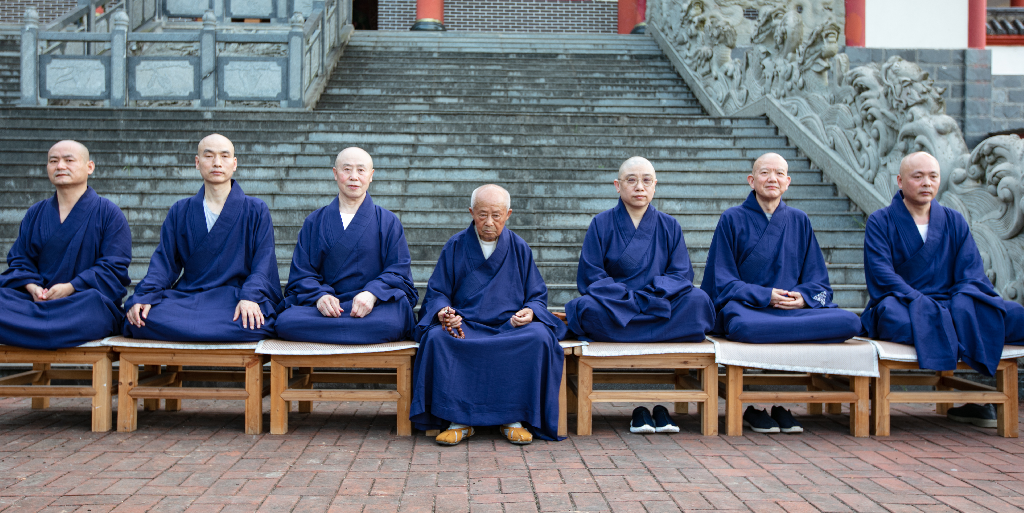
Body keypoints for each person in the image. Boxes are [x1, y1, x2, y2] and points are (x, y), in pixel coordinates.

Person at [862, 151, 1024, 428]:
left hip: (951, 301)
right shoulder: (881, 221)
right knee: (894, 318)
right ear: (900, 181)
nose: (926, 183)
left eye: (933, 176)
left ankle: (952, 328)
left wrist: (961, 301)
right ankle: (957, 331)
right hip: (905, 300)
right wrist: (919, 300)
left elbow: (971, 272)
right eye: (917, 177)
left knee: (1013, 314)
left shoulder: (953, 220)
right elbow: (881, 274)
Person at [701, 152, 862, 434]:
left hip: (792, 310)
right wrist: (765, 295)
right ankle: (756, 406)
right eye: (764, 173)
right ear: (751, 181)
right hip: (751, 309)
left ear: (787, 182)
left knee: (851, 322)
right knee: (742, 326)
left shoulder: (800, 220)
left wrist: (804, 298)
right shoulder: (732, 219)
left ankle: (778, 404)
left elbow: (818, 280)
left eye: (778, 173)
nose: (771, 178)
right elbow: (722, 281)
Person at [410, 185, 566, 445]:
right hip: (466, 326)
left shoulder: (519, 248)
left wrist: (530, 312)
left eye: (497, 215)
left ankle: (513, 419)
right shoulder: (456, 246)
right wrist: (445, 313)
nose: (489, 222)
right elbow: (438, 292)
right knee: (438, 339)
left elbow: (536, 295)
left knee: (539, 336)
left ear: (508, 214)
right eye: (482, 214)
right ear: (471, 212)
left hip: (509, 327)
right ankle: (459, 420)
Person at [123, 134, 281, 341]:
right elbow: (164, 263)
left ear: (234, 164)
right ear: (197, 163)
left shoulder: (256, 210)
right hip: (189, 297)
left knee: (255, 319)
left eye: (224, 156)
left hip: (234, 297)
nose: (217, 163)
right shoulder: (180, 210)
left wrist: (250, 297)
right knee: (140, 318)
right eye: (209, 156)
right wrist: (145, 295)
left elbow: (264, 263)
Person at [0, 140, 131, 349]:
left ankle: (28, 329)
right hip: (38, 300)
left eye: (68, 160)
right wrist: (33, 288)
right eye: (53, 161)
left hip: (79, 303)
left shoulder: (109, 214)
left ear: (90, 167)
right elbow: (20, 260)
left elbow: (113, 268)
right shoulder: (36, 213)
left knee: (94, 308)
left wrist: (70, 288)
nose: (60, 166)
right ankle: (46, 329)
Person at [564, 156, 715, 344]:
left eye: (646, 180)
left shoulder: (670, 225)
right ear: (617, 185)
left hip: (659, 301)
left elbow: (681, 273)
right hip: (616, 305)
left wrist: (650, 296)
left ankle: (624, 333)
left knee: (698, 300)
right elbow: (591, 275)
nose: (639, 187)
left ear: (654, 185)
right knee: (586, 307)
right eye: (631, 180)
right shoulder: (600, 223)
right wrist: (627, 298)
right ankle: (664, 332)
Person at [275, 147, 417, 343]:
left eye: (361, 170)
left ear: (371, 175)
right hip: (326, 309)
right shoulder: (314, 221)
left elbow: (398, 272)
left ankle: (336, 330)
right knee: (285, 322)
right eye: (347, 169)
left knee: (393, 321)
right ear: (335, 173)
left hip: (373, 308)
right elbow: (302, 273)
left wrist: (372, 293)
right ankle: (352, 329)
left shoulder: (388, 221)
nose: (353, 177)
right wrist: (319, 296)